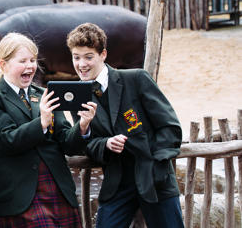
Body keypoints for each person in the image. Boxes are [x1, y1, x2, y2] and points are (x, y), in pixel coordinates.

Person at [0, 32, 97, 227]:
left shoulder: (45, 94)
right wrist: (42, 123)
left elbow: (67, 143)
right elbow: (6, 140)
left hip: (57, 189)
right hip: (21, 195)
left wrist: (82, 126)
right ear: (4, 64)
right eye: (22, 61)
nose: (30, 66)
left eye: (32, 60)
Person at [67, 23, 184, 228]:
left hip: (155, 180)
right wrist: (106, 144)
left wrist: (156, 165)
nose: (81, 64)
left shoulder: (136, 79)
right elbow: (88, 145)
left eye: (88, 56)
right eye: (76, 57)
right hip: (117, 184)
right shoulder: (77, 96)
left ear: (103, 54)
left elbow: (170, 127)